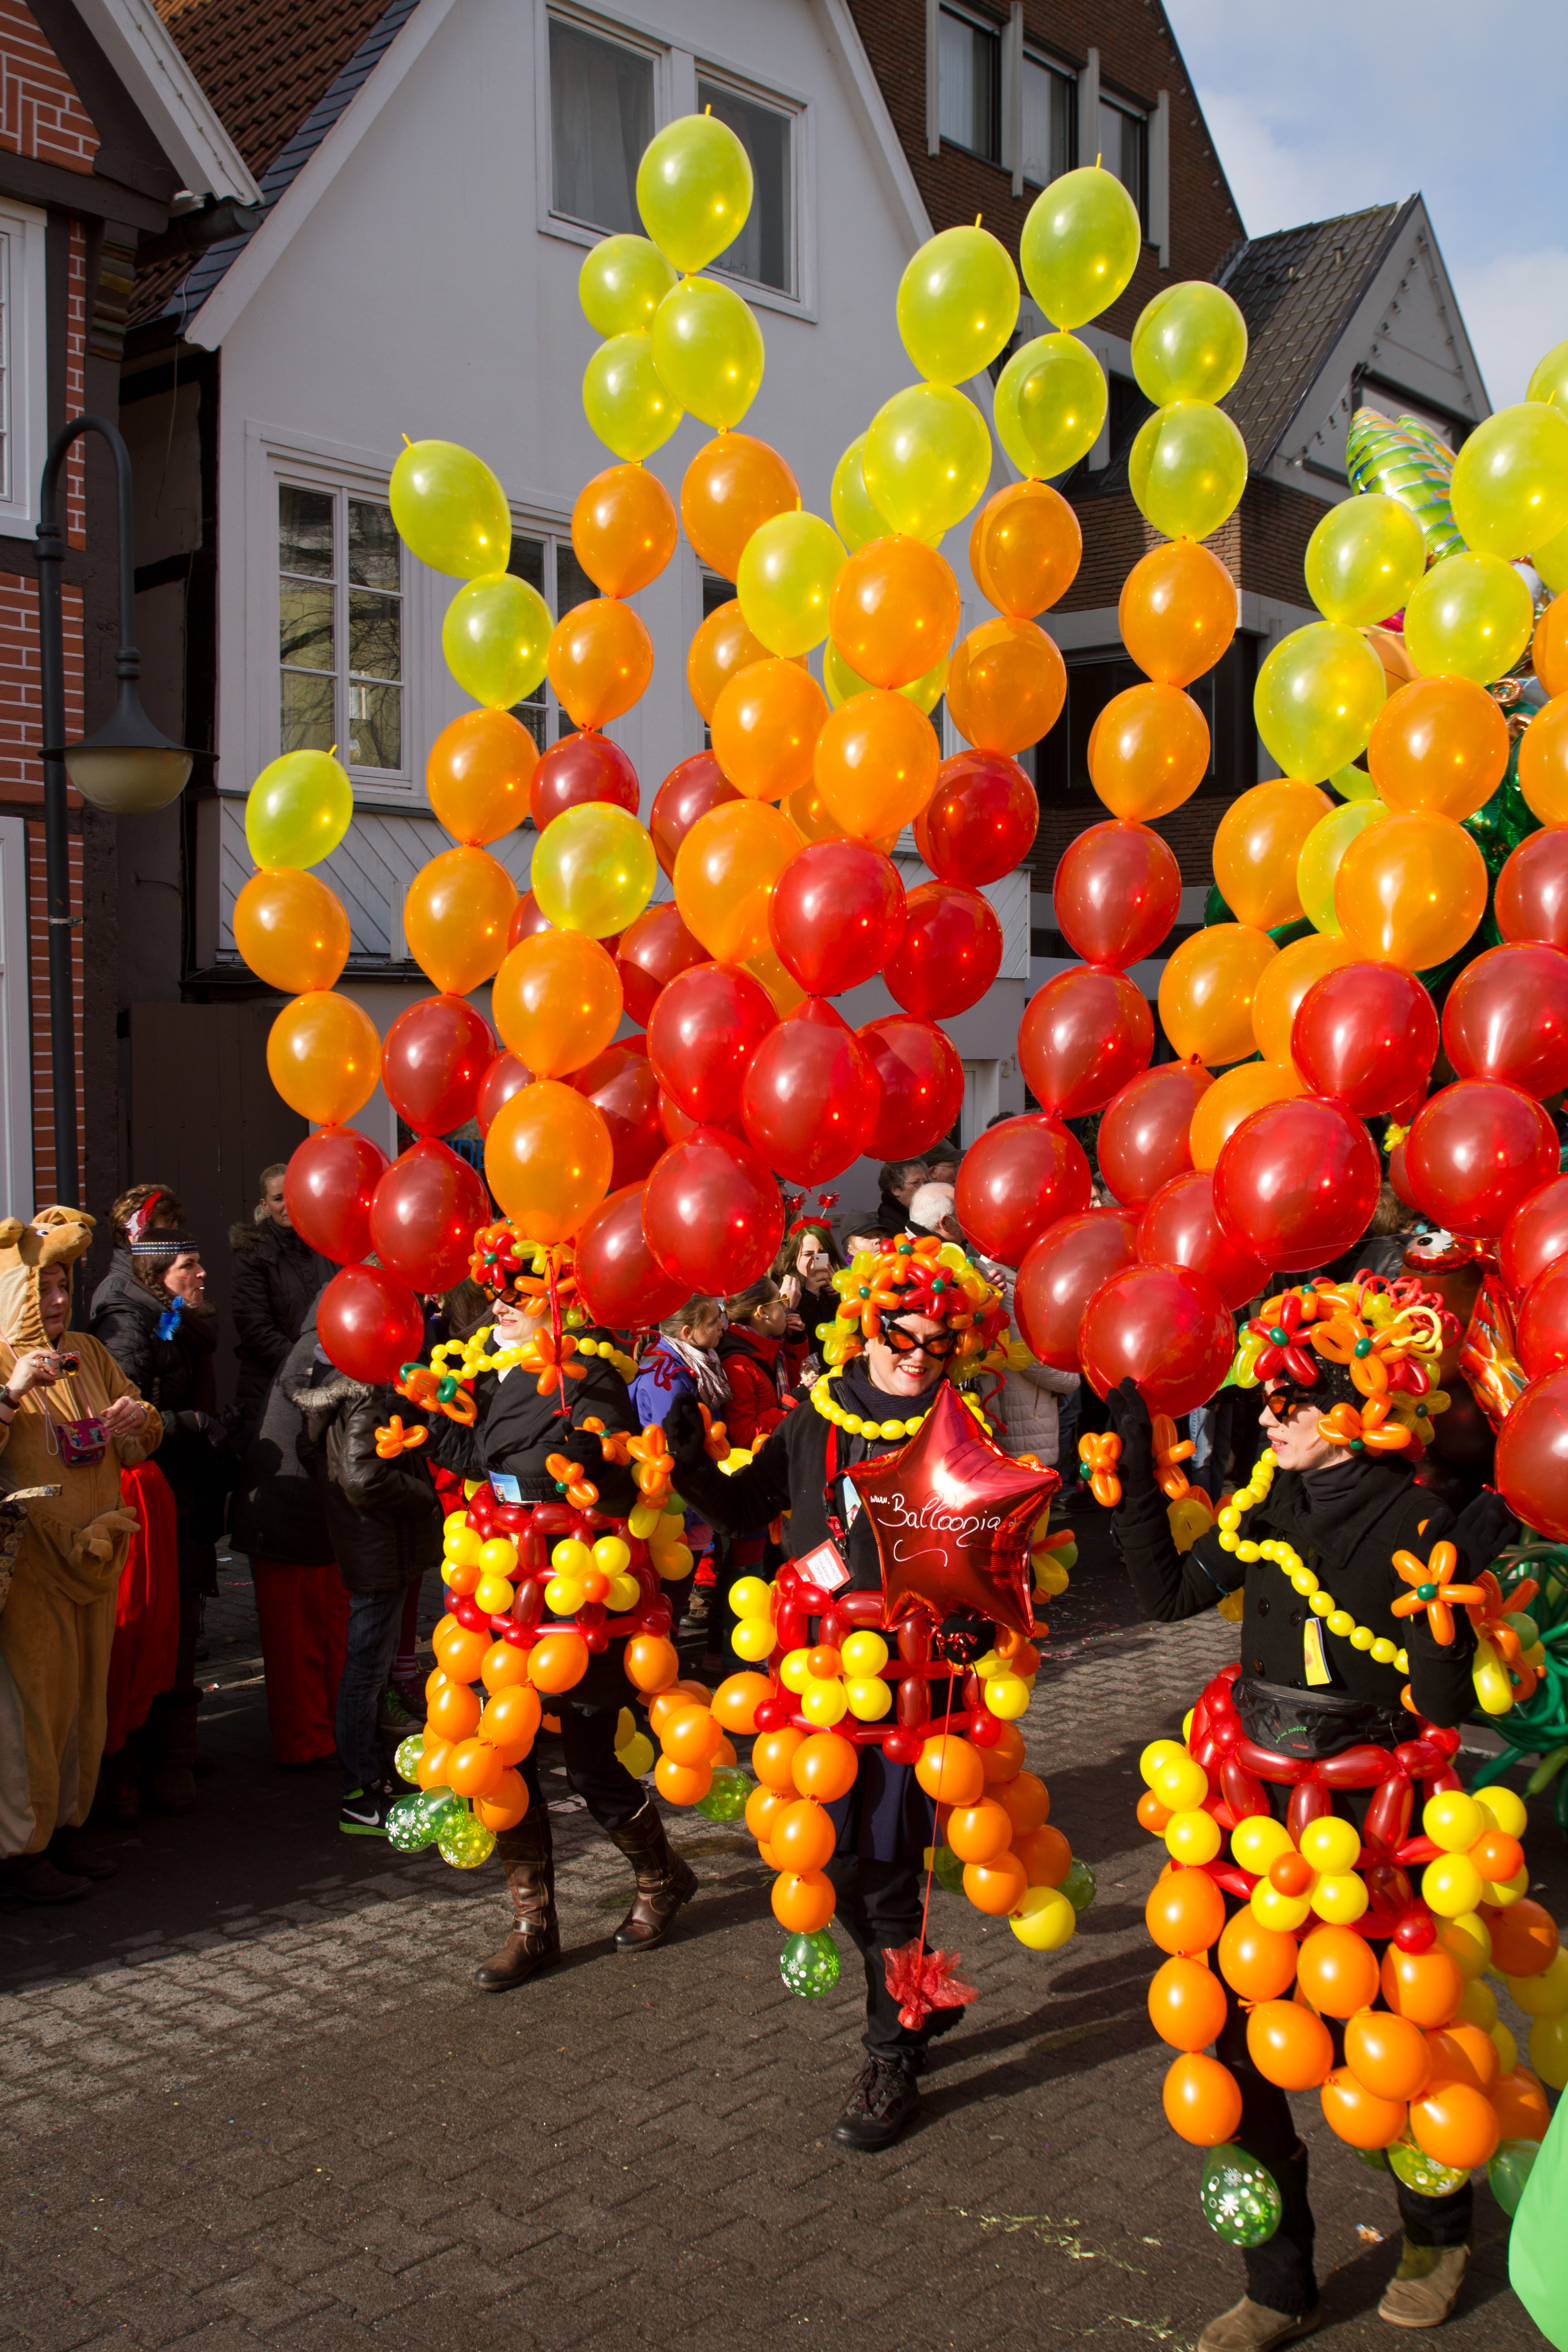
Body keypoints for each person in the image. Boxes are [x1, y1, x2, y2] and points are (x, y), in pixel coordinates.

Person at [1106, 1274, 1519, 2349]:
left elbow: (1439, 1708)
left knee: (1396, 2039)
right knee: (1235, 2049)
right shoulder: (1263, 1501)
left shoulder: (1418, 1517)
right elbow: (1166, 1596)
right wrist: (1133, 1469)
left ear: (1357, 1405)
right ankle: (1277, 2283)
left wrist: (1443, 1611)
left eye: (1291, 1400)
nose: (1269, 1418)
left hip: (1370, 1826)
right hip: (1249, 1821)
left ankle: (1436, 2237)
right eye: (1266, 1400)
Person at [660, 1231, 1019, 2152]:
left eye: (939, 1342)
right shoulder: (815, 1417)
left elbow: (1002, 1554)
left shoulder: (964, 1429)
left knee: (889, 1873)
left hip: (912, 1690)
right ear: (865, 1325)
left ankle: (891, 2056)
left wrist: (981, 1626)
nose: (918, 1356)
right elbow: (750, 1507)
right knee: (838, 1867)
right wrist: (691, 1464)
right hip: (818, 1684)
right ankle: (914, 1994)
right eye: (902, 1335)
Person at [423, 1239, 697, 1991]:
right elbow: (489, 1462)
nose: (498, 1306)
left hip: (577, 1596)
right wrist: (425, 1423)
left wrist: (593, 1462)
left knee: (589, 1761)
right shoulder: (500, 1369)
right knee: (503, 1755)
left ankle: (662, 1878)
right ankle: (532, 1925)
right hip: (506, 1593)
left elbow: (617, 1481)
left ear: (561, 1301)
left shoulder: (591, 1377)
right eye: (494, 1293)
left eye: (516, 1293)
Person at [0, 1208, 161, 1900]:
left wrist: (137, 1419)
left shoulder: (91, 1355)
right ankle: (20, 1853)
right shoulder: (2, 1359)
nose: (59, 1300)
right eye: (43, 1288)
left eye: (65, 1285)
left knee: (82, 1708)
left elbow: (142, 1433)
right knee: (32, 1711)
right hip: (30, 1569)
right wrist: (12, 1393)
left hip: (96, 1562)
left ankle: (66, 1829)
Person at [91, 1193, 235, 1812]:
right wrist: (191, 1424)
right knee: (149, 1627)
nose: (202, 1272)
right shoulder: (125, 1317)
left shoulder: (177, 1313)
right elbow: (122, 1413)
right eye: (188, 1264)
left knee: (185, 1618)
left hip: (187, 1490)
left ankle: (174, 1749)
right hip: (154, 1495)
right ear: (155, 1266)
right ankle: (133, 1765)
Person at [287, 1355, 444, 1835]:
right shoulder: (368, 1391)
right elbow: (362, 1476)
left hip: (371, 1543)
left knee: (367, 1670)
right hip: (379, 1548)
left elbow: (316, 1453)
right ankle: (359, 1792)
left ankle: (369, 1779)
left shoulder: (342, 1387)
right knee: (365, 1672)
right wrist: (423, 1496)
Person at [232, 1302, 348, 1767]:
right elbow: (315, 1437)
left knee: (329, 1631)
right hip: (288, 1511)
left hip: (317, 1513)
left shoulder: (334, 1341)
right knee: (297, 1640)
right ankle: (307, 1742)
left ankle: (335, 1731)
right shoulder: (322, 1348)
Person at [630, 1296, 729, 1630]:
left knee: (675, 1594)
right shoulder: (667, 1379)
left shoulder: (693, 1363)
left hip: (691, 1502)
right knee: (669, 1597)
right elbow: (672, 1452)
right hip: (676, 1510)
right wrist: (685, 1518)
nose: (723, 1326)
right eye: (713, 1321)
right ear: (687, 1332)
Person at [230, 1164, 333, 1447]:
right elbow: (255, 1329)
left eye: (293, 1196)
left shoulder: (324, 1243)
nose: (288, 1206)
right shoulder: (252, 1254)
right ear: (265, 1205)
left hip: (325, 1379)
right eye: (278, 1199)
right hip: (272, 1385)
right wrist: (306, 1364)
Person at [772, 1217, 843, 1386]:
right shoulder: (786, 1288)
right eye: (808, 1255)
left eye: (822, 1253)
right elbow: (800, 1334)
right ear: (794, 1258)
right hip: (809, 1381)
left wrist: (835, 1294)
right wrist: (811, 1293)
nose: (816, 1260)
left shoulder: (842, 1286)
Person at [872, 1159, 929, 1237]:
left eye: (925, 1182)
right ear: (896, 1189)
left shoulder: (928, 1214)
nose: (924, 1188)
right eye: (915, 1183)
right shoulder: (887, 1227)